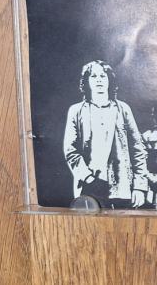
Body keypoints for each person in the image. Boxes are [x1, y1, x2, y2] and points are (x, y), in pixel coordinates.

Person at [63, 60, 148, 209]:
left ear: (109, 80)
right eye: (94, 76)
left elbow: (138, 149)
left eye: (103, 76)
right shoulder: (76, 111)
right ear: (87, 81)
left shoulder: (123, 109)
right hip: (90, 188)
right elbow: (70, 150)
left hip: (122, 188)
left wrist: (139, 187)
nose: (99, 80)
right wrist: (88, 178)